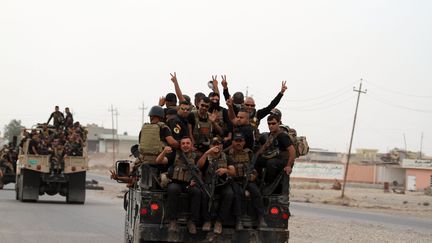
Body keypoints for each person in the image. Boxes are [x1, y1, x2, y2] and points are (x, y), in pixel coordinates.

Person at [198, 137, 237, 234]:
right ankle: (207, 220)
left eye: (218, 144)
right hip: (209, 183)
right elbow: (198, 166)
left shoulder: (227, 157)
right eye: (214, 144)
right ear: (210, 146)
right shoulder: (206, 156)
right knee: (203, 193)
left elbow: (233, 172)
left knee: (229, 194)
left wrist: (225, 170)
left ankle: (219, 222)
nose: (216, 146)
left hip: (222, 184)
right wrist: (207, 152)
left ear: (222, 146)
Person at [228, 132, 267, 228]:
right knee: (238, 194)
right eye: (236, 141)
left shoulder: (249, 153)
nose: (238, 143)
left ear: (244, 142)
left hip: (247, 179)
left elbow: (254, 167)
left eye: (240, 141)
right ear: (232, 142)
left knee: (256, 192)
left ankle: (261, 217)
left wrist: (253, 175)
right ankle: (239, 219)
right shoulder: (228, 153)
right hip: (234, 180)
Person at [166, 137, 202, 234]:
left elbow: (201, 171)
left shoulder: (197, 156)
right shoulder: (174, 155)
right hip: (176, 182)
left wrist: (195, 181)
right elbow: (162, 162)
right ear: (180, 145)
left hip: (189, 184)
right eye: (183, 143)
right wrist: (164, 152)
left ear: (191, 145)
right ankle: (173, 220)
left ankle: (192, 221)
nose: (185, 145)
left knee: (197, 192)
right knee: (172, 189)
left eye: (188, 143)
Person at [256, 114, 296, 187]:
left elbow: (292, 152)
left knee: (271, 163)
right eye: (269, 124)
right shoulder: (271, 134)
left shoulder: (283, 136)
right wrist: (256, 155)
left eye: (273, 123)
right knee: (258, 160)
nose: (271, 126)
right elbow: (265, 146)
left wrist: (289, 166)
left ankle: (270, 184)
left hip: (283, 160)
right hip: (275, 157)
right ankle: (258, 181)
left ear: (279, 123)